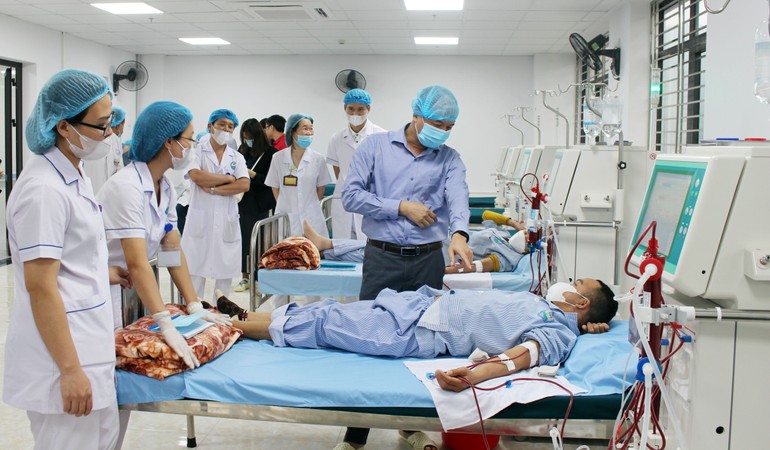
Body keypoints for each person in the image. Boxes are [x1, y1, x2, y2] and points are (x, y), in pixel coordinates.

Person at [340, 85, 472, 450]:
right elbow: (350, 195)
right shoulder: (375, 147)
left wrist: (459, 234)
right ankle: (356, 435)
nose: (443, 132)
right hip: (382, 257)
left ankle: (410, 426)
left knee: (423, 343)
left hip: (428, 260)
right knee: (367, 340)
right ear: (416, 116)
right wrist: (400, 206)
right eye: (437, 124)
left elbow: (458, 197)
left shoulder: (449, 158)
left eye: (449, 127)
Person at [3, 69, 129, 449]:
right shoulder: (43, 189)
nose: (109, 135)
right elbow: (41, 287)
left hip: (88, 344)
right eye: (101, 126)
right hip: (61, 361)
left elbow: (70, 254)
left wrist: (101, 272)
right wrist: (70, 370)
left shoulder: (74, 173)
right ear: (63, 126)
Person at [100, 101, 232, 447]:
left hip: (130, 290)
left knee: (119, 393)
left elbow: (172, 249)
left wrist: (194, 304)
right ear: (168, 142)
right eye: (189, 139)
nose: (192, 147)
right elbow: (138, 261)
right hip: (105, 291)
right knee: (104, 397)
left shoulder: (166, 186)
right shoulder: (126, 187)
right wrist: (165, 322)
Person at [181, 108, 250, 301]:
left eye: (230, 126)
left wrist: (213, 189)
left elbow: (244, 184)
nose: (226, 129)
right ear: (210, 126)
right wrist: (228, 179)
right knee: (195, 276)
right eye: (222, 124)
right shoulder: (196, 151)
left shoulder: (236, 157)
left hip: (226, 222)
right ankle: (194, 314)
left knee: (224, 280)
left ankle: (221, 316)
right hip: (200, 221)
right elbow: (197, 176)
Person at [303, 218, 529, 275]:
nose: (526, 236)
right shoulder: (503, 236)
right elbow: (489, 216)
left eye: (529, 239)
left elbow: (474, 267)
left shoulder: (509, 257)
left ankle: (325, 249)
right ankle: (325, 246)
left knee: (374, 253)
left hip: (434, 255)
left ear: (528, 250)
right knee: (375, 245)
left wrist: (444, 271)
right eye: (528, 233)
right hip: (432, 238)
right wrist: (514, 224)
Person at [326, 89, 386, 239]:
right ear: (345, 108)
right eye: (351, 109)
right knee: (343, 244)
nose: (355, 113)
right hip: (343, 199)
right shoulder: (336, 138)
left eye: (360, 109)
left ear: (368, 109)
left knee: (369, 243)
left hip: (371, 197)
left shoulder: (382, 136)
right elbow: (338, 171)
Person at [265, 113, 331, 238]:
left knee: (313, 249)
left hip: (312, 217)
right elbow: (274, 186)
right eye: (305, 128)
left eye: (311, 128)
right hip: (287, 217)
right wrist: (285, 204)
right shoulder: (278, 158)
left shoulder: (318, 159)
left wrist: (311, 206)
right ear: (292, 132)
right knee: (288, 249)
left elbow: (321, 187)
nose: (309, 132)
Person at [233, 118, 277, 292]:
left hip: (260, 203)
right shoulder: (242, 151)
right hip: (243, 201)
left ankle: (259, 277)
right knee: (243, 239)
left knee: (260, 240)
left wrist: (252, 175)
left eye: (250, 137)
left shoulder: (271, 154)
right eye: (245, 137)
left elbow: (271, 180)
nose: (247, 141)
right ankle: (245, 277)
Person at [83, 105, 126, 193]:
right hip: (92, 191)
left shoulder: (116, 140)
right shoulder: (87, 140)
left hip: (110, 194)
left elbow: (119, 168)